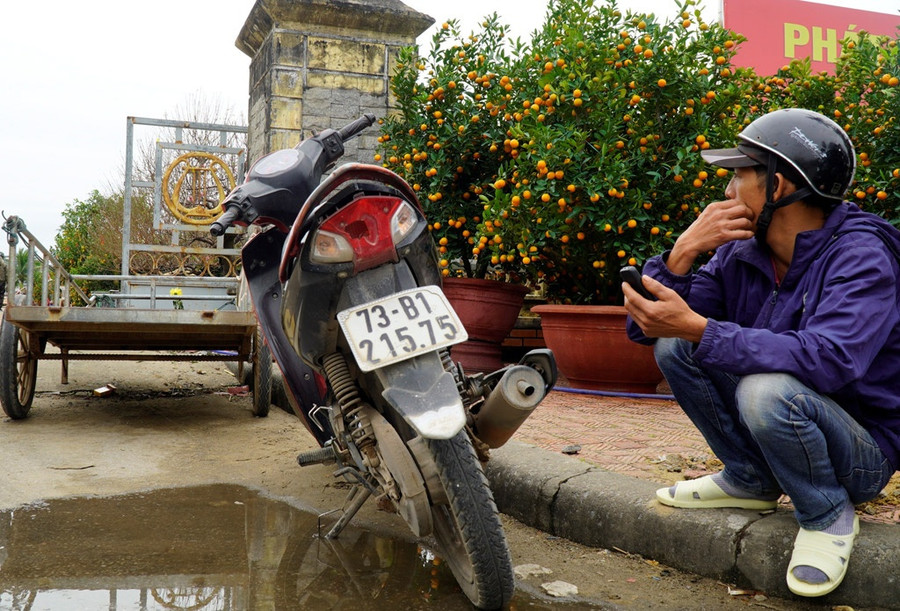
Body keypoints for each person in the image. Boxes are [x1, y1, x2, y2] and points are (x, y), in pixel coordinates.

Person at [623, 108, 899, 598]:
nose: (727, 192)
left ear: (778, 186)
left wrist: (703, 330)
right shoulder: (742, 252)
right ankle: (751, 479)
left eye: (738, 176)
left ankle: (826, 511)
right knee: (676, 345)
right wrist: (680, 255)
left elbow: (832, 359)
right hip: (787, 428)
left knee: (765, 389)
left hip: (861, 451)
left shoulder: (861, 256)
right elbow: (649, 329)